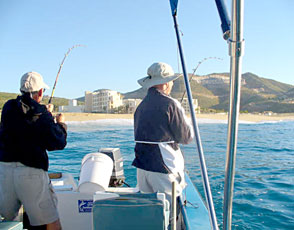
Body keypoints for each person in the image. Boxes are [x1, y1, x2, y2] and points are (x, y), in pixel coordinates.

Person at [0, 72, 67, 230]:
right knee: (52, 222)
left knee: (9, 221)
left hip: (4, 171)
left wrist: (44, 112)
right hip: (30, 173)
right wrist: (60, 124)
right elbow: (57, 142)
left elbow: (25, 113)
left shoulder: (8, 107)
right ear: (41, 92)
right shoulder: (42, 114)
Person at [132, 62, 194, 205]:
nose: (171, 84)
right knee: (169, 212)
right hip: (163, 167)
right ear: (165, 83)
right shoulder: (171, 103)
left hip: (143, 168)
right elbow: (186, 137)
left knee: (149, 210)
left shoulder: (140, 106)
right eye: (171, 81)